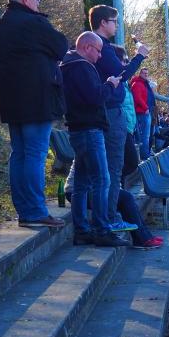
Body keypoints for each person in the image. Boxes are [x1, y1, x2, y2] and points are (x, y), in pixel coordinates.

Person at [0, 0, 68, 228]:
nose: (38, 3)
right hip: (37, 99)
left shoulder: (1, 25)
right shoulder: (33, 22)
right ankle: (35, 210)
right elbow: (61, 46)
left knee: (20, 154)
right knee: (35, 154)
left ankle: (25, 210)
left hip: (13, 100)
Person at [59, 31, 129, 247]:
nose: (100, 56)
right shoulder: (81, 66)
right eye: (98, 51)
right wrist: (109, 84)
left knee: (81, 182)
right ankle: (101, 229)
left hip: (79, 128)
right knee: (102, 180)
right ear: (87, 47)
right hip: (89, 129)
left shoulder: (68, 65)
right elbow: (95, 97)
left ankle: (82, 230)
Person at [89, 5, 149, 231]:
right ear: (103, 22)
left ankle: (106, 217)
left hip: (105, 112)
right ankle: (110, 218)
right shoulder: (101, 47)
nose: (116, 25)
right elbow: (121, 75)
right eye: (114, 21)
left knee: (108, 170)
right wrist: (139, 56)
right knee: (114, 168)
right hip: (110, 113)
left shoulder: (96, 46)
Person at [63, 162, 163, 249]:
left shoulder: (98, 145)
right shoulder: (97, 146)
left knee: (124, 197)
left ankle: (144, 236)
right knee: (125, 197)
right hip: (82, 191)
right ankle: (143, 238)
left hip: (85, 190)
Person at [130, 68, 156, 159]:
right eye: (144, 73)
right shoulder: (137, 84)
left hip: (146, 113)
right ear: (140, 73)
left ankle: (146, 155)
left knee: (147, 136)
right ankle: (144, 157)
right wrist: (146, 108)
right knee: (143, 137)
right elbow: (137, 98)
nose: (146, 75)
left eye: (147, 73)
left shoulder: (144, 84)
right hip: (142, 113)